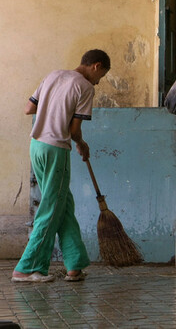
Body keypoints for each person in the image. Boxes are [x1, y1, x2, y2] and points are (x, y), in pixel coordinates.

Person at [11, 50, 110, 283]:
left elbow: (29, 108)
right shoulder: (86, 87)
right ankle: (27, 268)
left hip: (36, 146)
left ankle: (75, 265)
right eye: (101, 75)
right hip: (56, 148)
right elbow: (74, 131)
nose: (99, 81)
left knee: (63, 203)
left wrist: (51, 109)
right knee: (52, 208)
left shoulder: (53, 75)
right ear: (96, 66)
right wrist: (81, 144)